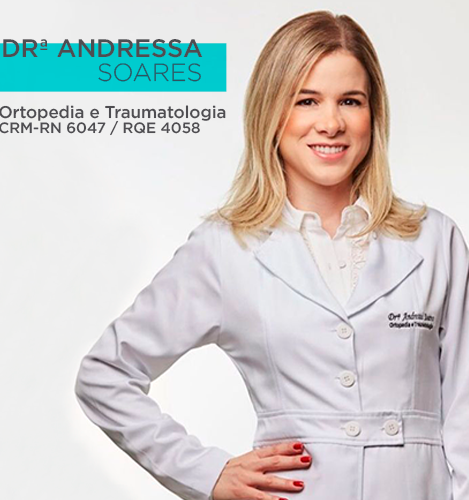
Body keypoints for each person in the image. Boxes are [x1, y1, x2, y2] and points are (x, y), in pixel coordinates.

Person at [74, 10, 469, 500]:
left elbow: (465, 407)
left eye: (350, 101)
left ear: (374, 115)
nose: (331, 123)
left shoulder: (434, 240)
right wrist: (207, 473)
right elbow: (105, 374)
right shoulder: (226, 248)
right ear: (271, 112)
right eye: (307, 100)